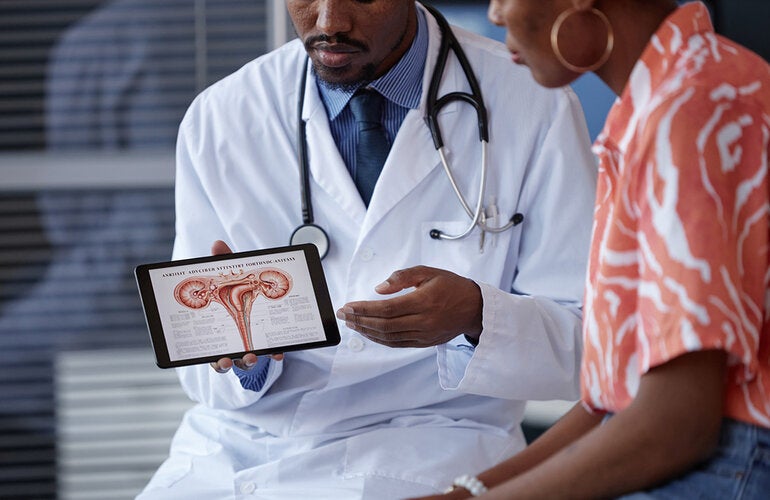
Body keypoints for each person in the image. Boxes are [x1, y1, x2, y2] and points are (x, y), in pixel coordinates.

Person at [138, 1, 598, 498]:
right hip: (235, 452)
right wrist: (243, 358)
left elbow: (588, 343)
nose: (329, 22)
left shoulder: (531, 102)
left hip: (431, 445)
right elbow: (202, 371)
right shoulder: (221, 115)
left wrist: (476, 315)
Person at [415, 0, 770, 498]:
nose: (494, 14)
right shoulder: (658, 101)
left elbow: (678, 423)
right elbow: (613, 399)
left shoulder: (694, 107)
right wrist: (468, 492)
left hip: (732, 463)